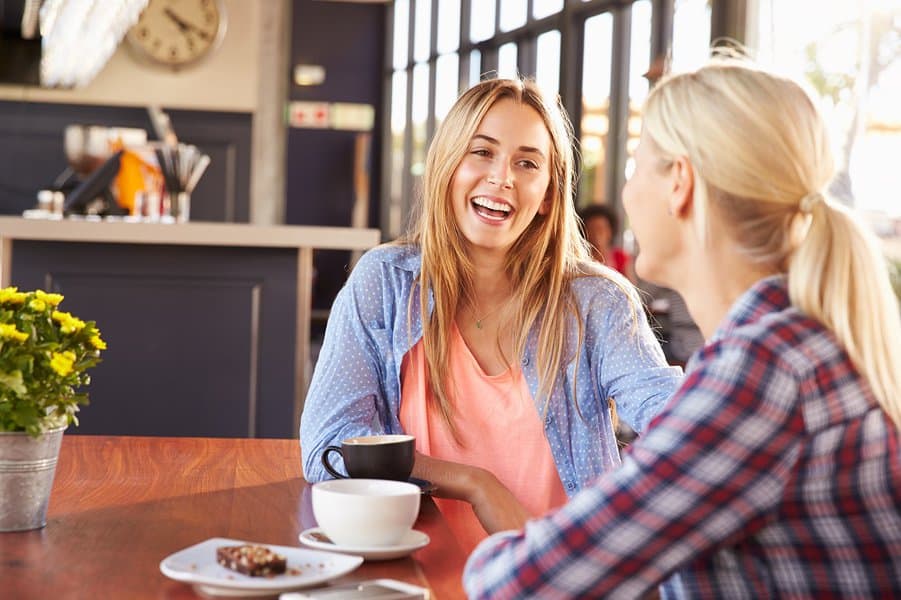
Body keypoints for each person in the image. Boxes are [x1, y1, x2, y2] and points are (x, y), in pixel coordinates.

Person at [464, 59, 901, 598]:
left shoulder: (765, 370)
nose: (625, 194)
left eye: (636, 167)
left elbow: (519, 584)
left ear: (680, 184)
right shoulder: (800, 341)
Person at [300, 78, 681, 553]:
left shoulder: (596, 302)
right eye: (482, 152)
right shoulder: (386, 283)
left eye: (527, 163)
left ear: (547, 194)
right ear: (448, 166)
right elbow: (331, 448)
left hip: (558, 578)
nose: (502, 178)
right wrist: (475, 484)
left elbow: (677, 422)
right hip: (421, 575)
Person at [578, 203, 633, 278]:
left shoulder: (620, 258)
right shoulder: (579, 258)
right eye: (592, 229)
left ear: (610, 231)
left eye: (601, 229)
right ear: (584, 231)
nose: (597, 234)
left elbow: (630, 287)